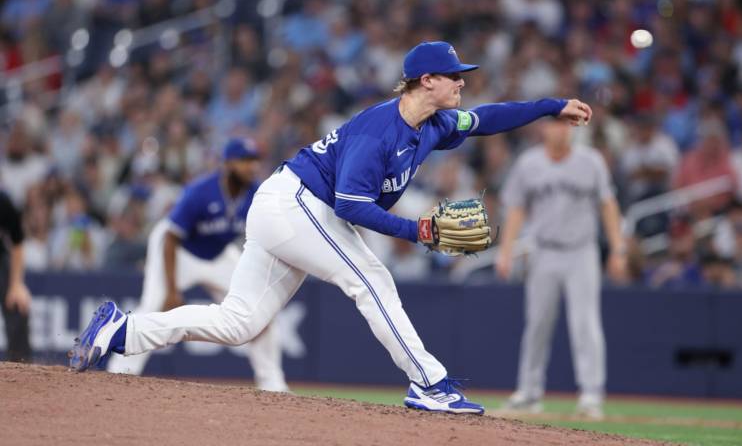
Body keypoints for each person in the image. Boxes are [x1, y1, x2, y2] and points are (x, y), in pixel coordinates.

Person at [69, 41, 591, 415]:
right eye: (454, 75)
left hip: (293, 209)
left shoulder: (435, 124)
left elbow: (490, 118)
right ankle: (429, 383)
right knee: (371, 279)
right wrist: (418, 231)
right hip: (296, 204)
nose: (462, 82)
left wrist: (550, 108)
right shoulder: (377, 132)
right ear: (426, 80)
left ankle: (121, 329)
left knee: (240, 322)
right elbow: (351, 207)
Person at [106, 138, 289, 392]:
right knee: (152, 305)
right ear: (228, 164)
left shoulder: (256, 194)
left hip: (218, 254)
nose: (252, 166)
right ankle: (120, 371)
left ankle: (272, 384)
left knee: (259, 311)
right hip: (178, 250)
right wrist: (172, 288)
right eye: (245, 161)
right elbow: (171, 236)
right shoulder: (201, 191)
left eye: (254, 161)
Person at [494, 117, 627, 419]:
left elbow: (608, 204)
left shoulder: (590, 161)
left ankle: (591, 395)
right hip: (543, 250)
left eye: (566, 124)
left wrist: (618, 248)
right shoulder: (529, 163)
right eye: (556, 123)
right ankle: (529, 392)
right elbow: (516, 208)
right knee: (537, 323)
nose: (561, 129)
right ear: (545, 128)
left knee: (585, 323)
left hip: (582, 251)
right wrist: (506, 251)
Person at [0, 189, 32, 362]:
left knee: (18, 302)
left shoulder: (3, 202)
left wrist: (16, 285)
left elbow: (17, 243)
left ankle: (21, 362)